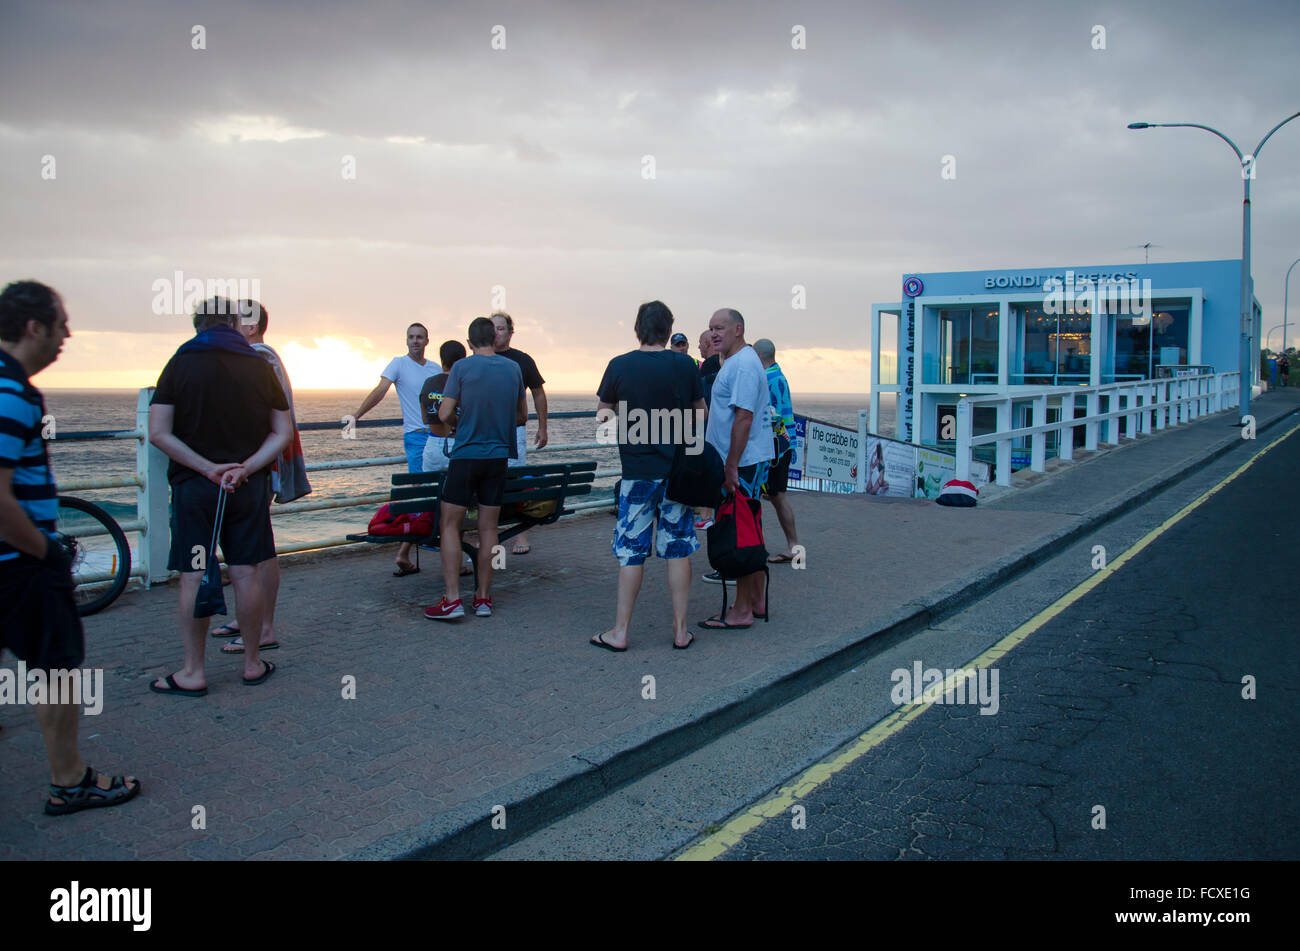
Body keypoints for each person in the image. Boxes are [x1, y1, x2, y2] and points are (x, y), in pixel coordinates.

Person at [0, 280, 141, 815]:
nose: (68, 334)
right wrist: (44, 549)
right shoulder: (13, 393)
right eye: (61, 323)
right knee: (55, 668)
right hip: (20, 565)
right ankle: (69, 780)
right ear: (34, 326)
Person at [148, 296, 291, 693]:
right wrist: (244, 467)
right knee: (246, 572)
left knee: (194, 574)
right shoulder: (258, 367)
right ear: (231, 323)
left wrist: (207, 468)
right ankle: (252, 663)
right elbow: (282, 432)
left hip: (196, 489)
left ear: (197, 325)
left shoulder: (180, 363)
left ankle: (193, 672)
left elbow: (159, 432)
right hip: (246, 488)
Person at [590, 301, 706, 652]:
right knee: (678, 549)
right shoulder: (685, 364)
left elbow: (602, 415)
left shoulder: (620, 365)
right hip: (676, 474)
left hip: (637, 474)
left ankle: (620, 632)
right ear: (669, 330)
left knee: (631, 552)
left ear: (637, 328)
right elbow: (701, 415)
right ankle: (681, 631)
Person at [212, 300, 311, 654]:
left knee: (260, 546)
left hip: (260, 465)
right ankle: (250, 617)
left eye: (234, 320)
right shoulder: (260, 357)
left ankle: (264, 627)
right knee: (249, 546)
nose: (228, 325)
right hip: (260, 462)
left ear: (251, 326)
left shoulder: (261, 357)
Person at [424, 317, 526, 620]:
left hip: (466, 455)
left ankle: (453, 600)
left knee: (449, 526)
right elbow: (521, 416)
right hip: (498, 458)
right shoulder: (513, 369)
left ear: (469, 343)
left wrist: (462, 423)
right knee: (489, 529)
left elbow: (443, 413)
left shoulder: (461, 368)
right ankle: (483, 599)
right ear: (494, 340)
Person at [699, 308, 773, 628]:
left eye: (721, 328)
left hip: (741, 462)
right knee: (750, 528)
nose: (714, 334)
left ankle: (741, 610)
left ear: (738, 329)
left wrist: (730, 465)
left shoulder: (742, 364)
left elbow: (744, 417)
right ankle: (756, 600)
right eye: (711, 329)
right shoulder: (736, 361)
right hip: (745, 460)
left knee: (740, 531)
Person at [349, 323, 441, 576]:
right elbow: (380, 390)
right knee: (423, 493)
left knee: (438, 493)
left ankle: (410, 552)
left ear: (427, 341)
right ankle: (410, 553)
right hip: (415, 438)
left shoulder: (434, 368)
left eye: (419, 337)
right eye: (411, 337)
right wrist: (357, 415)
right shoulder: (398, 364)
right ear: (406, 340)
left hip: (438, 436)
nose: (415, 341)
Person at [491, 312, 546, 554]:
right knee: (488, 481)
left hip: (514, 430)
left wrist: (543, 426)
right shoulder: (480, 358)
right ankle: (489, 535)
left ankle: (520, 535)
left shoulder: (522, 360)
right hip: (487, 431)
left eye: (501, 329)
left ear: (510, 332)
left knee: (514, 480)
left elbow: (538, 392)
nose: (496, 333)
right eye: (492, 329)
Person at [420, 340, 474, 577]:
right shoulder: (463, 382)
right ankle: (457, 562)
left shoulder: (429, 382)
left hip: (432, 445)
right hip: (457, 444)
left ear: (441, 358)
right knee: (457, 506)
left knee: (429, 503)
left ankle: (403, 552)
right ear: (462, 360)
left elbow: (424, 418)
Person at [753, 338, 801, 563]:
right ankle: (792, 545)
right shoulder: (779, 375)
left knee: (778, 496)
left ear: (758, 355)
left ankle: (794, 546)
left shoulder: (767, 379)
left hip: (777, 447)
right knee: (775, 495)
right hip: (785, 443)